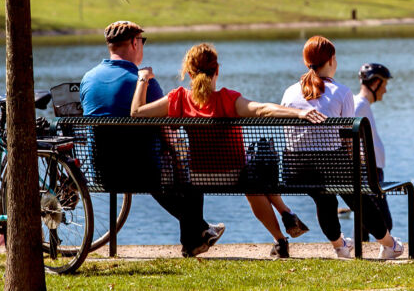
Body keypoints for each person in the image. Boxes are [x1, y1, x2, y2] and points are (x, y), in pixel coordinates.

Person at [130, 43, 323, 258]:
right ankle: (281, 234)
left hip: (198, 179)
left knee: (252, 175)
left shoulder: (179, 98)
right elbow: (262, 109)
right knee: (257, 170)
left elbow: (136, 112)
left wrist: (143, 78)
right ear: (217, 70)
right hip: (235, 176)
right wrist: (298, 113)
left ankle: (285, 219)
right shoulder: (227, 99)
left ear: (188, 72)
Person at [80, 21, 225, 258]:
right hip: (143, 172)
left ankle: (199, 232)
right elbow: (167, 133)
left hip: (102, 172)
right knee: (186, 173)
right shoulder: (145, 83)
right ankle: (194, 235)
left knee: (163, 170)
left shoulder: (88, 79)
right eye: (142, 42)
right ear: (135, 43)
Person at [280, 36, 404, 260]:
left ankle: (340, 247)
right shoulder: (342, 92)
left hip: (295, 170)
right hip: (332, 167)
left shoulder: (289, 92)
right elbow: (349, 139)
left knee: (323, 198)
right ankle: (389, 244)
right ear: (330, 60)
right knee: (358, 196)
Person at [354, 63, 394, 235]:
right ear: (375, 83)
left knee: (368, 221)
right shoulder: (359, 106)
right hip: (367, 172)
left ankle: (361, 255)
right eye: (384, 84)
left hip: (371, 171)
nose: (385, 90)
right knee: (384, 224)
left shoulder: (362, 105)